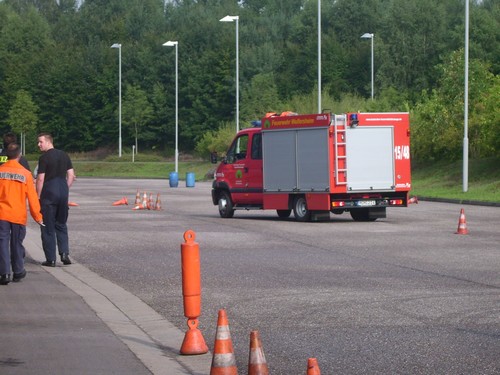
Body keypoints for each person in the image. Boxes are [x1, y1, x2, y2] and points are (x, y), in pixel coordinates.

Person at [0, 144, 43, 285]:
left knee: (2, 243)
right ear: (19, 155)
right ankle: (18, 271)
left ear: (6, 154)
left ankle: (4, 273)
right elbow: (32, 198)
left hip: (2, 214)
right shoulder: (25, 174)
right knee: (16, 243)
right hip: (18, 215)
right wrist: (38, 216)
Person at [36, 133, 75, 267]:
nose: (39, 145)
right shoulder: (64, 155)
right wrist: (65, 188)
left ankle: (51, 259)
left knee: (47, 226)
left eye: (40, 142)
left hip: (49, 193)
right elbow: (71, 175)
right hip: (63, 191)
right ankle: (64, 254)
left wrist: (38, 197)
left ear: (48, 142)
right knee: (61, 224)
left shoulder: (44, 158)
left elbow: (40, 178)